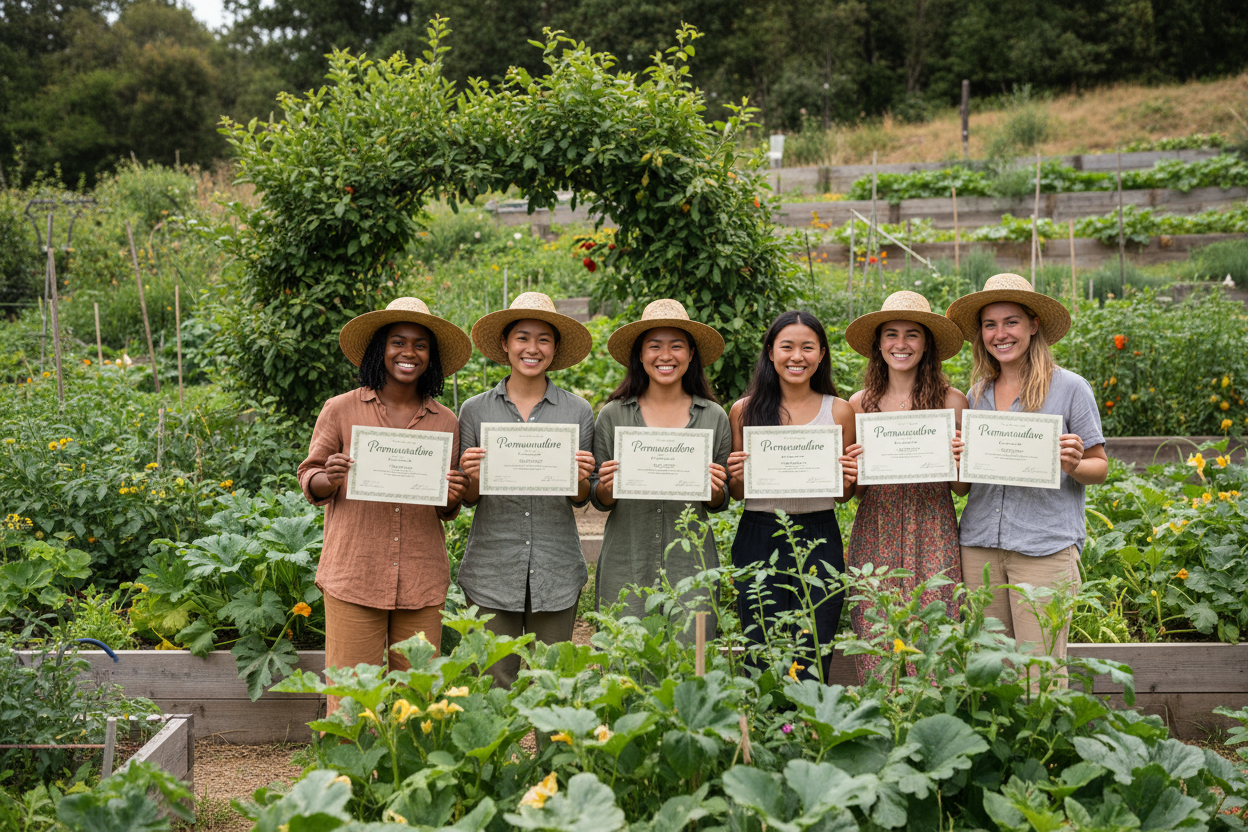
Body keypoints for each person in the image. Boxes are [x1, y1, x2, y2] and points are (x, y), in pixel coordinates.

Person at [297, 297, 472, 715]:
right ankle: (349, 779)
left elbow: (447, 504)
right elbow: (310, 477)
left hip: (419, 575)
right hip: (355, 571)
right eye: (398, 342)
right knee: (352, 695)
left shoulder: (445, 421)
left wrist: (454, 496)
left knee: (418, 696)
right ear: (380, 349)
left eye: (420, 345)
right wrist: (331, 476)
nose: (408, 353)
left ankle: (408, 776)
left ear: (431, 359)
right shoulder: (341, 409)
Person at [944, 273, 1107, 662]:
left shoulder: (1069, 388)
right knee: (992, 667)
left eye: (1011, 322)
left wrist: (1073, 464)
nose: (1000, 333)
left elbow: (1099, 466)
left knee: (1040, 669)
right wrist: (955, 459)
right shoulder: (976, 394)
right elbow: (964, 488)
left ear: (1034, 326)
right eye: (990, 325)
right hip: (980, 545)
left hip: (1044, 546)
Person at [456, 292, 597, 688]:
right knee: (494, 681)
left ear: (555, 348)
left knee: (551, 683)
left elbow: (581, 496)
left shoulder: (578, 411)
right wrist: (470, 475)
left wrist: (582, 475)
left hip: (556, 564)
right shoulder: (475, 410)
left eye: (543, 339)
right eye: (522, 337)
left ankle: (548, 752)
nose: (532, 348)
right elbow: (469, 498)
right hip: (492, 564)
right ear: (505, 344)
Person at [726, 310, 859, 681]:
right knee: (762, 643)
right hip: (758, 533)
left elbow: (844, 496)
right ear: (771, 352)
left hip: (819, 533)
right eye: (787, 346)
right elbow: (737, 493)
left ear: (821, 354)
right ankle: (767, 728)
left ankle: (807, 727)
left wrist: (849, 478)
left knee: (814, 643)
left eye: (807, 347)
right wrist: (735, 476)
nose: (796, 356)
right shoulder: (744, 411)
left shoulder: (839, 410)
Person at [842, 291, 967, 683]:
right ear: (878, 344)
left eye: (912, 334)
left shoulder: (952, 401)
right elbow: (857, 491)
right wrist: (852, 468)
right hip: (875, 527)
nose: (901, 344)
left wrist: (962, 458)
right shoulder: (859, 404)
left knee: (933, 631)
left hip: (932, 527)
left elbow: (960, 489)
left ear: (926, 343)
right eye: (891, 334)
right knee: (877, 632)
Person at [591, 299, 730, 642]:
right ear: (640, 355)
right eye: (654, 346)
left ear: (692, 354)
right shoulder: (613, 416)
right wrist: (606, 485)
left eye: (676, 346)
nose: (665, 356)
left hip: (691, 564)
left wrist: (715, 489)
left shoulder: (713, 417)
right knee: (625, 660)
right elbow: (598, 497)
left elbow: (722, 499)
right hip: (627, 558)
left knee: (689, 661)